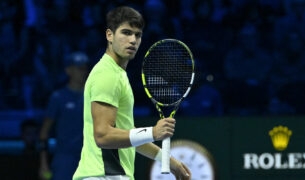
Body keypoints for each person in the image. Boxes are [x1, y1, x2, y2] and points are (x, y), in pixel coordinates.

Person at [72, 6, 191, 180]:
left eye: (137, 35)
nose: (133, 40)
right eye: (126, 33)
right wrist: (153, 132)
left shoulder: (117, 74)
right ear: (109, 35)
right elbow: (103, 135)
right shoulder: (107, 75)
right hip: (104, 176)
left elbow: (128, 134)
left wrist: (169, 161)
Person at [39, 51, 90, 180]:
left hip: (90, 158)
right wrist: (44, 163)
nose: (83, 72)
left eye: (84, 68)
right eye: (79, 68)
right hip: (64, 159)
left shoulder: (94, 96)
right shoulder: (58, 97)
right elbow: (44, 133)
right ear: (68, 70)